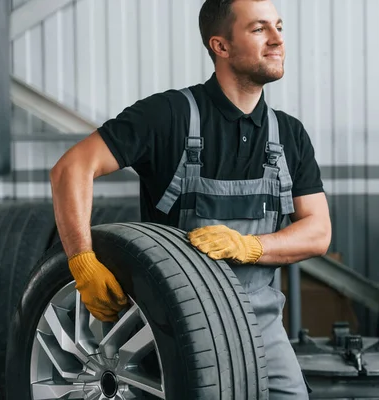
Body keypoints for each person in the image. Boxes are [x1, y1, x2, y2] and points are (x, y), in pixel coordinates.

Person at [50, 0, 331, 397]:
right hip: (177, 324)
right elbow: (71, 168)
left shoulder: (289, 134)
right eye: (259, 29)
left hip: (259, 325)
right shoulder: (168, 116)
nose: (277, 40)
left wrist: (251, 246)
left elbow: (318, 232)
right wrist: (82, 259)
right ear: (221, 46)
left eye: (279, 27)